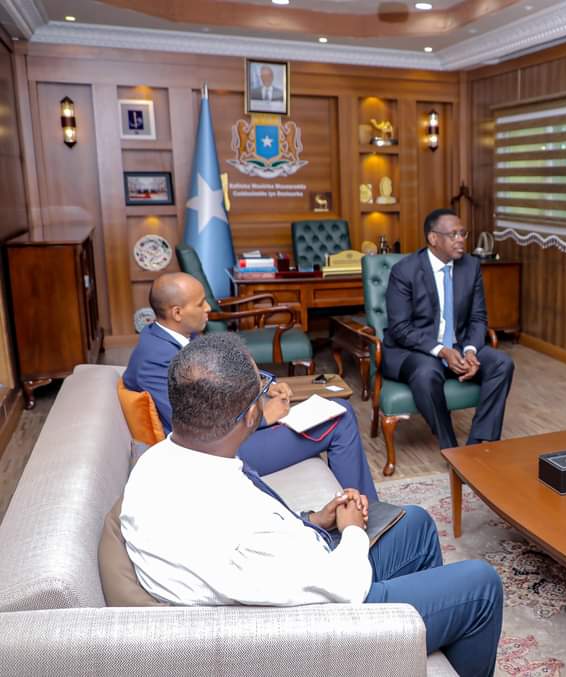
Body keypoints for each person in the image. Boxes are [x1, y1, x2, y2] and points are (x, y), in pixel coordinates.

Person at [121, 334, 503, 676]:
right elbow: (344, 586)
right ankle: (403, 636)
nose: (267, 393)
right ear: (251, 415)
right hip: (326, 626)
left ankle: (420, 646)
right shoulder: (247, 534)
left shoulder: (155, 464)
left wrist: (315, 520)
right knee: (481, 584)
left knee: (416, 522)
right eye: (262, 388)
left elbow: (266, 549)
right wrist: (351, 531)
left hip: (295, 583)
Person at [123, 272, 378, 499]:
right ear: (177, 312)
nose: (208, 307)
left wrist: (266, 385)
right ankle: (369, 517)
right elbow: (196, 426)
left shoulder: (178, 337)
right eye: (200, 303)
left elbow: (227, 369)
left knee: (334, 407)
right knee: (340, 417)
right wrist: (262, 417)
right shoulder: (155, 358)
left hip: (229, 436)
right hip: (219, 453)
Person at [382, 208, 514, 449]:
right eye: (453, 234)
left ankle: (478, 443)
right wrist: (442, 351)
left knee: (502, 364)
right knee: (426, 374)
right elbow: (400, 328)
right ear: (433, 238)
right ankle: (450, 447)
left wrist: (471, 350)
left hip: (459, 344)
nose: (461, 239)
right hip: (415, 350)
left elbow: (478, 317)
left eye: (463, 233)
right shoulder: (405, 270)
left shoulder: (471, 266)